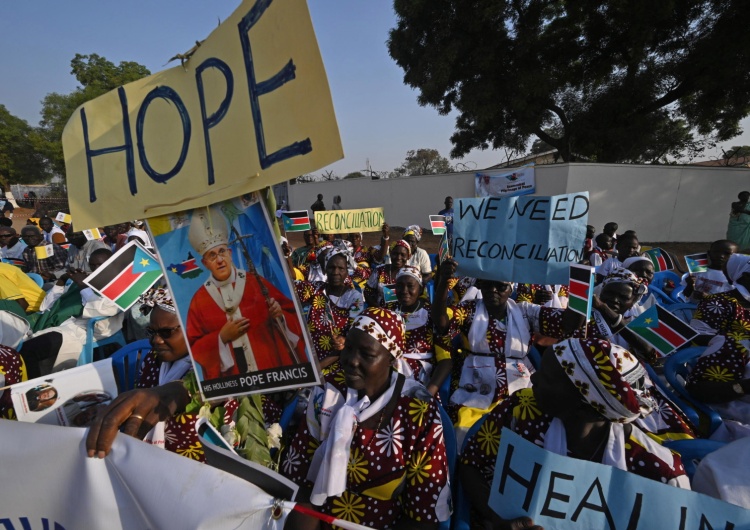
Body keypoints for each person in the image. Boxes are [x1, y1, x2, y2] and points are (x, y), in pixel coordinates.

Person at [459, 338, 690, 529]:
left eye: (548, 379)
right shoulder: (522, 409)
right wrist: (498, 519)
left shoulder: (659, 472)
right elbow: (470, 464)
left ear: (586, 406)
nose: (534, 378)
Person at [281, 307, 452, 529]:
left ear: (391, 359)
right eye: (348, 348)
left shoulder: (418, 411)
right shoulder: (329, 394)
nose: (351, 360)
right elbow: (302, 483)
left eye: (367, 354)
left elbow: (423, 514)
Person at [185, 206, 306, 380]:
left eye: (222, 252)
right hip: (233, 383)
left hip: (272, 375)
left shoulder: (255, 282)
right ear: (205, 264)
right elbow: (195, 346)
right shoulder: (199, 300)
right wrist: (221, 338)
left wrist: (280, 315)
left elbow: (292, 315)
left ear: (230, 253)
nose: (219, 260)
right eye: (212, 256)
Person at [23, 248, 124, 374]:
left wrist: (83, 286)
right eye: (92, 265)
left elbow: (102, 310)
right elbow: (46, 307)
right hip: (67, 323)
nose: (96, 269)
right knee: (29, 344)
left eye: (100, 264)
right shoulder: (89, 280)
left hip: (94, 327)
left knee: (38, 347)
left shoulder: (119, 285)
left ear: (112, 263)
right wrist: (62, 280)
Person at [686, 253, 750, 438]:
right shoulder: (720, 303)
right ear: (745, 276)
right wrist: (727, 341)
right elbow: (697, 335)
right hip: (721, 363)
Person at [386, 265, 452, 395]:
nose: (404, 290)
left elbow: (446, 360)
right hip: (387, 374)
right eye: (399, 286)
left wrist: (429, 392)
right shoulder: (388, 312)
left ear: (421, 289)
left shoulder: (430, 314)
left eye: (410, 286)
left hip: (419, 379)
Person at [294, 248, 364, 368]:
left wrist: (343, 339)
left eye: (341, 268)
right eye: (331, 267)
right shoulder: (316, 288)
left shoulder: (354, 297)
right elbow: (289, 286)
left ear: (347, 272)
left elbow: (353, 334)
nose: (335, 272)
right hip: (310, 356)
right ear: (325, 270)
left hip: (338, 362)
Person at [364, 238, 411, 307]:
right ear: (390, 254)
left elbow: (420, 296)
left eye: (402, 255)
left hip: (405, 312)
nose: (398, 257)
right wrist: (377, 307)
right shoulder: (380, 270)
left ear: (408, 256)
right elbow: (367, 292)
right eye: (395, 254)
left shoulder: (412, 273)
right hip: (381, 312)